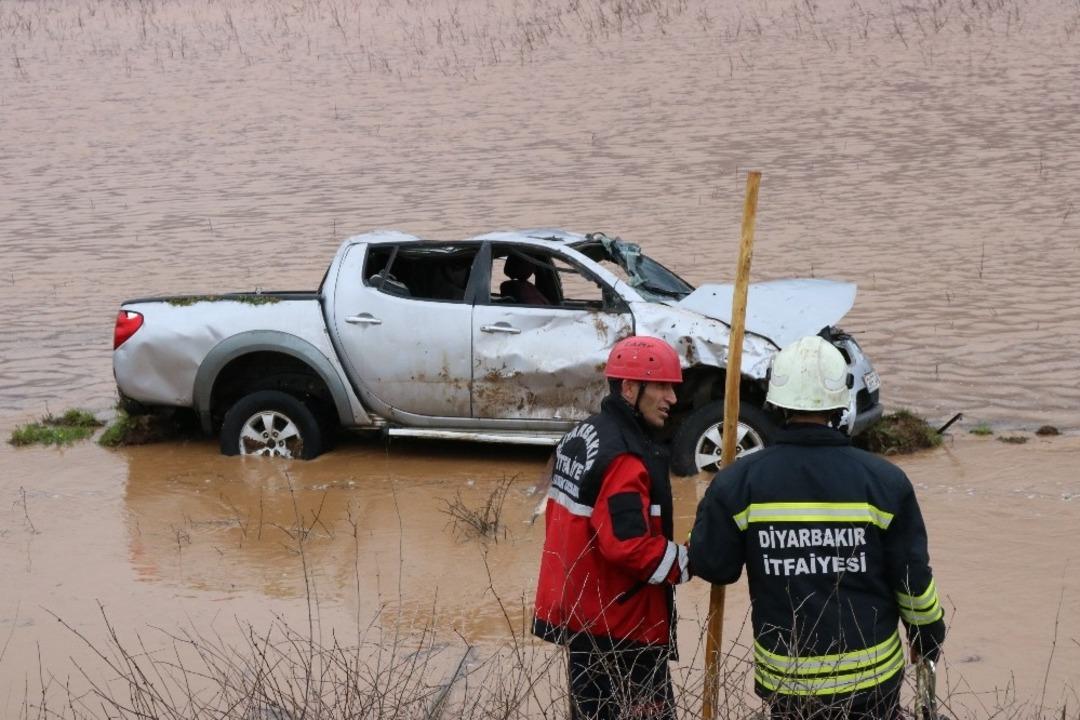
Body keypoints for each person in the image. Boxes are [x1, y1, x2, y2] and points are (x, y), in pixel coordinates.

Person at [689, 335, 946, 719]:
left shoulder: (739, 483)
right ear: (841, 402)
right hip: (872, 682)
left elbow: (713, 565)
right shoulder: (884, 482)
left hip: (788, 685)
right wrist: (928, 637)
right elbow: (913, 582)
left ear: (776, 402)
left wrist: (709, 512)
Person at [533, 336, 691, 720]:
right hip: (624, 629)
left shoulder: (580, 436)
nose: (672, 398)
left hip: (584, 618)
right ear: (630, 388)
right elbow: (629, 546)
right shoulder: (625, 458)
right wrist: (688, 560)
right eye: (662, 387)